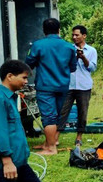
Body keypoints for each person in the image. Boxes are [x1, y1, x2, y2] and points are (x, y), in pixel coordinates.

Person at [25, 18, 77, 155]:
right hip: (63, 86)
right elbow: (73, 68)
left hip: (45, 86)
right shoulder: (69, 47)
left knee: (48, 117)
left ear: (44, 30)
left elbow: (28, 64)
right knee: (56, 116)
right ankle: (48, 143)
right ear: (59, 30)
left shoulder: (38, 45)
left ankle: (51, 148)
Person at [56, 25, 97, 146]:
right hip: (68, 85)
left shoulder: (91, 50)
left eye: (77, 35)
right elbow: (63, 65)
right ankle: (56, 137)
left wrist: (83, 57)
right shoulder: (68, 49)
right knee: (63, 111)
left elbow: (92, 68)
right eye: (73, 35)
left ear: (84, 36)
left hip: (84, 85)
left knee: (82, 112)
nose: (74, 37)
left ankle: (79, 137)